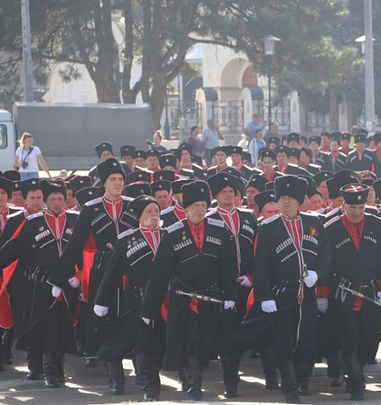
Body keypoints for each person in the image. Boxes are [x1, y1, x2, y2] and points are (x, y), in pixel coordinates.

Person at [140, 180, 238, 401]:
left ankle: (222, 382)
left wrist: (231, 295)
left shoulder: (220, 230)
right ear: (186, 208)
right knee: (190, 341)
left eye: (204, 205)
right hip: (183, 300)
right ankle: (194, 386)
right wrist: (149, 308)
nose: (200, 209)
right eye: (195, 205)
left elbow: (229, 266)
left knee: (207, 343)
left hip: (211, 298)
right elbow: (159, 274)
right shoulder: (172, 233)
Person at [239, 175, 330, 403]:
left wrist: (318, 273)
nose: (286, 202)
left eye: (290, 198)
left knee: (308, 342)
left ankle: (303, 381)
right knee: (284, 343)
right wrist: (265, 297)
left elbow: (326, 253)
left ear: (300, 201)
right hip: (281, 295)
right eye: (282, 198)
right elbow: (261, 265)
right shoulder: (268, 227)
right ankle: (290, 389)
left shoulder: (314, 223)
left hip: (307, 293)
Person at [47, 158, 137, 369]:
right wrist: (59, 279)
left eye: (121, 179)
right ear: (103, 183)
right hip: (102, 267)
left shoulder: (133, 205)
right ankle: (112, 369)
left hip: (129, 269)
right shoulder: (91, 208)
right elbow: (74, 246)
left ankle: (138, 362)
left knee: (130, 313)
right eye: (113, 179)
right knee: (103, 315)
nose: (117, 183)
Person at [0, 180, 79, 388]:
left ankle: (59, 367)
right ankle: (48, 371)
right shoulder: (34, 222)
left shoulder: (75, 219)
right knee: (46, 325)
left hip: (69, 283)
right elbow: (13, 247)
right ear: (46, 201)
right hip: (42, 283)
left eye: (60, 199)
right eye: (52, 199)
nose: (56, 203)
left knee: (64, 327)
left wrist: (79, 274)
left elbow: (86, 248)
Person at [320, 183, 381, 400]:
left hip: (371, 293)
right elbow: (324, 263)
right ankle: (356, 380)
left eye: (361, 207)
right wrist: (322, 294)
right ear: (344, 206)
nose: (357, 212)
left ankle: (356, 372)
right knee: (349, 337)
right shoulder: (330, 228)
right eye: (352, 208)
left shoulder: (378, 225)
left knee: (370, 339)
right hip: (343, 294)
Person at [93, 195, 166, 400]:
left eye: (156, 211)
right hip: (137, 300)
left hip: (165, 300)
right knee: (143, 342)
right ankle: (149, 386)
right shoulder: (126, 239)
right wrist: (101, 300)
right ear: (139, 216)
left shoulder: (169, 235)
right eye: (149, 211)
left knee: (161, 341)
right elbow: (112, 273)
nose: (154, 215)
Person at [205, 173, 259, 397]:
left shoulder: (248, 217)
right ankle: (230, 380)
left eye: (232, 192)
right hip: (221, 287)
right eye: (224, 192)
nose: (229, 196)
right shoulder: (209, 218)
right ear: (215, 196)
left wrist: (252, 277)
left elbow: (259, 250)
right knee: (226, 335)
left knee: (246, 331)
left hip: (246, 284)